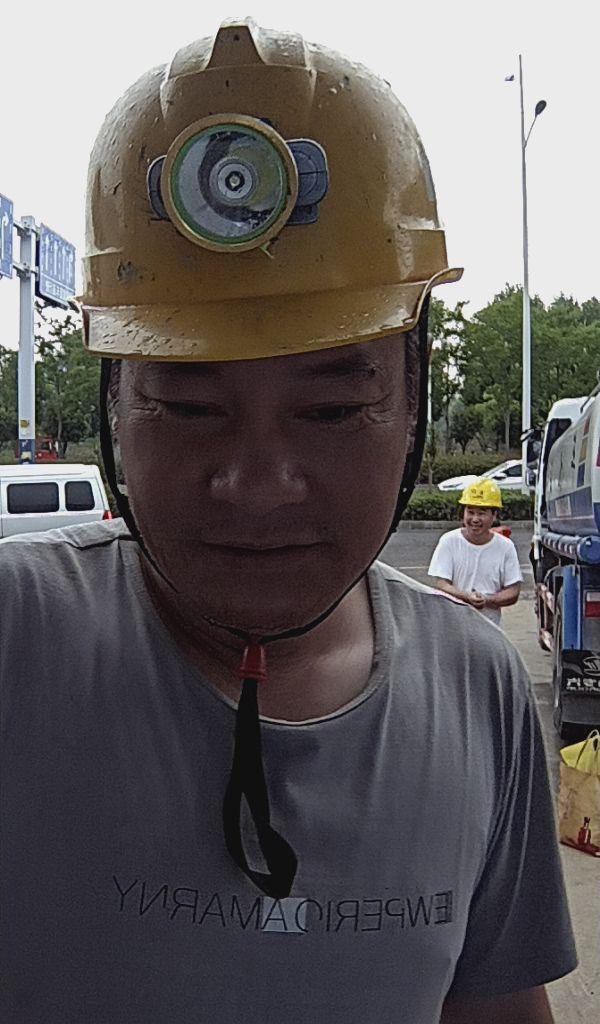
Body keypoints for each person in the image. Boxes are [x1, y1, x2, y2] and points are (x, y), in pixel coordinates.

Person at [1, 19, 575, 1024]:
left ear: (413, 401)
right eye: (188, 406)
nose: (258, 484)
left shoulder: (478, 689)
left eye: (332, 408)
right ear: (114, 406)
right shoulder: (17, 643)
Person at [428, 479, 523, 625]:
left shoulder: (505, 547)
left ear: (494, 516)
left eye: (481, 513)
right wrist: (467, 597)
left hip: (489, 627)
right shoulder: (449, 541)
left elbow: (513, 591)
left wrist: (488, 600)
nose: (475, 519)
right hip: (454, 625)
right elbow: (442, 584)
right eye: (470, 512)